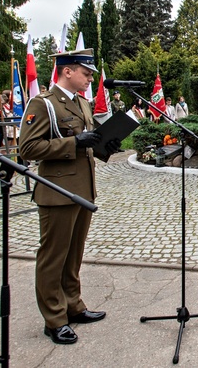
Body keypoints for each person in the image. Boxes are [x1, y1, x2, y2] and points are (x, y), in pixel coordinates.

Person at [19, 49, 120, 345]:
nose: (90, 79)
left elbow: (88, 145)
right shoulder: (44, 103)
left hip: (83, 190)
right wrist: (73, 141)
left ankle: (73, 305)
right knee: (54, 257)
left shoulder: (82, 104)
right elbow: (28, 148)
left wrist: (105, 146)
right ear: (67, 71)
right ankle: (54, 318)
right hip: (58, 191)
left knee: (74, 254)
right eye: (86, 73)